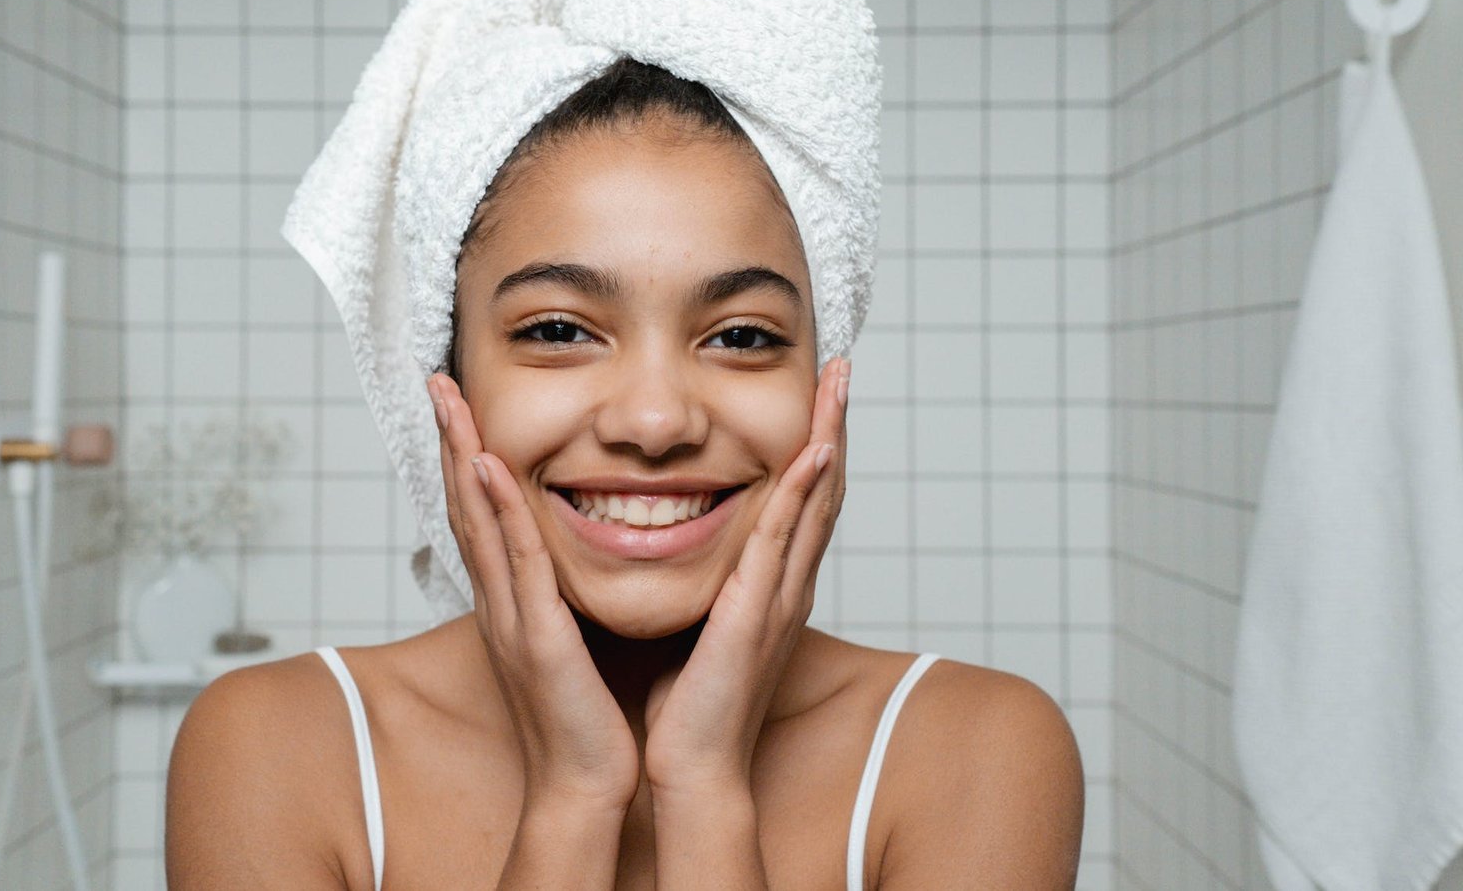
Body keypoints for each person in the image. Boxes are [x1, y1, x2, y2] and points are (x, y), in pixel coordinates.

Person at [165, 58, 1085, 889]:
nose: (655, 422)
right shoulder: (274, 749)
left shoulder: (978, 750)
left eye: (741, 337)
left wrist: (705, 791)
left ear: (822, 385)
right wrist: (574, 797)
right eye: (559, 331)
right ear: (449, 386)